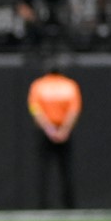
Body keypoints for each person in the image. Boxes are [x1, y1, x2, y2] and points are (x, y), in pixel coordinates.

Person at [28, 66, 81, 209]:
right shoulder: (69, 85)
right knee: (66, 170)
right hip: (64, 132)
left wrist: (49, 130)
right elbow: (74, 111)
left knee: (43, 170)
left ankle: (42, 205)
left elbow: (35, 109)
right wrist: (64, 130)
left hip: (46, 132)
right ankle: (69, 206)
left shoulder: (39, 85)